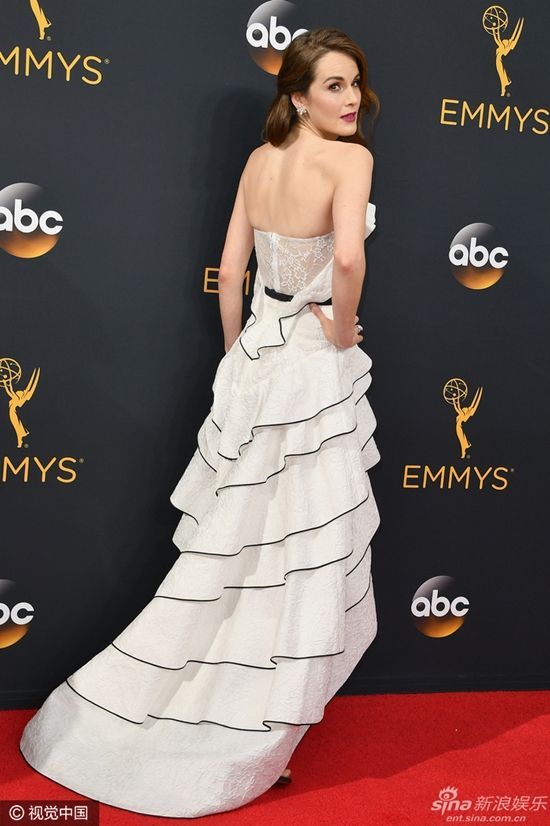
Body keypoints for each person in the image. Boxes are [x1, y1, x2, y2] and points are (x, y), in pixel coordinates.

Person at [19, 26, 381, 818]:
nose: (351, 99)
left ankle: (208, 701)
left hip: (257, 358)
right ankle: (260, 717)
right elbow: (346, 260)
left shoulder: (259, 163)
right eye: (332, 86)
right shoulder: (351, 161)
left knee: (242, 545)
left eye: (355, 82)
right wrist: (344, 330)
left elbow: (231, 273)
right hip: (314, 367)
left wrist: (239, 357)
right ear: (296, 94)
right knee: (300, 547)